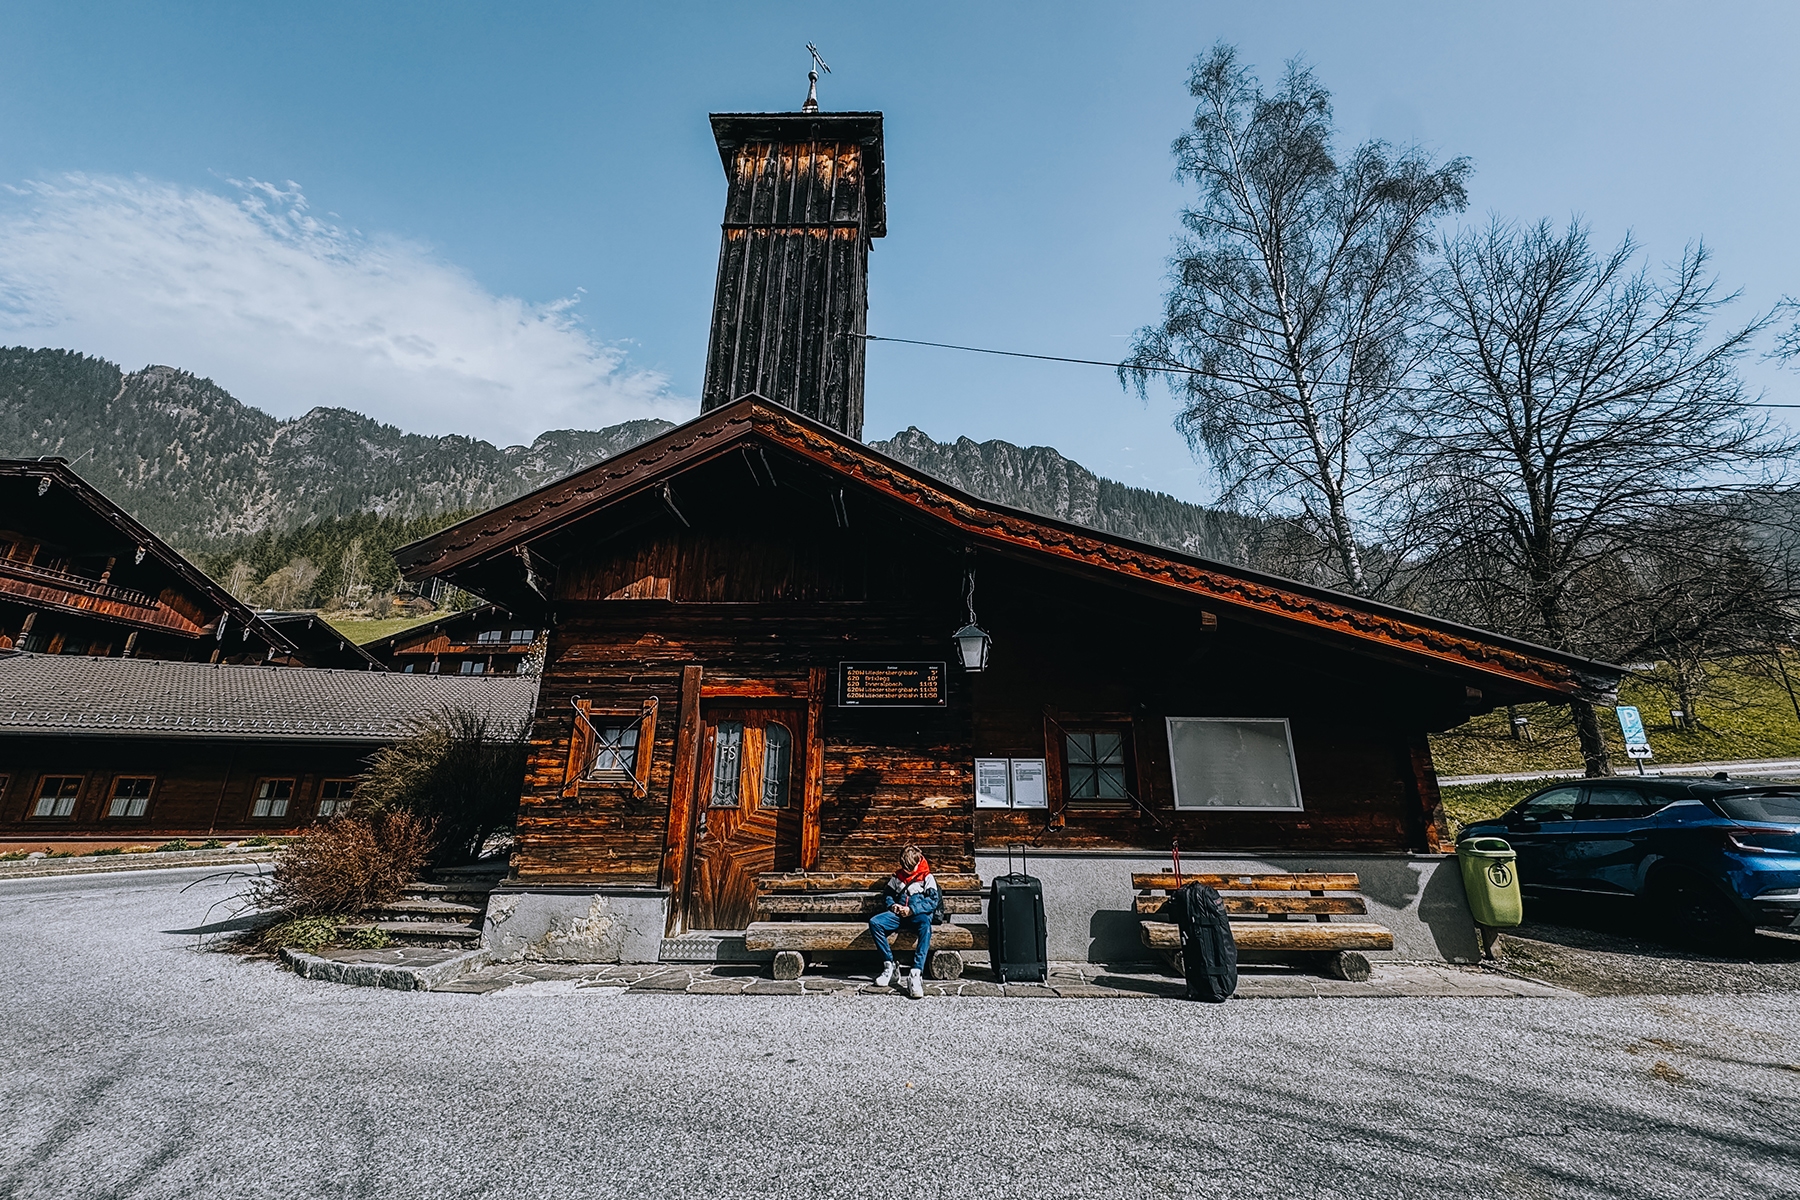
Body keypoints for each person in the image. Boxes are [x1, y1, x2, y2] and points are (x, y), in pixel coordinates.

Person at [869, 845, 940, 999]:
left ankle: (916, 972)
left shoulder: (927, 877)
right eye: (905, 868)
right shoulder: (897, 876)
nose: (907, 871)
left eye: (910, 868)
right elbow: (887, 895)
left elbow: (933, 901)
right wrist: (892, 906)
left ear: (918, 861)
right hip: (898, 915)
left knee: (926, 927)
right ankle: (889, 966)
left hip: (917, 915)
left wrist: (912, 909)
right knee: (875, 923)